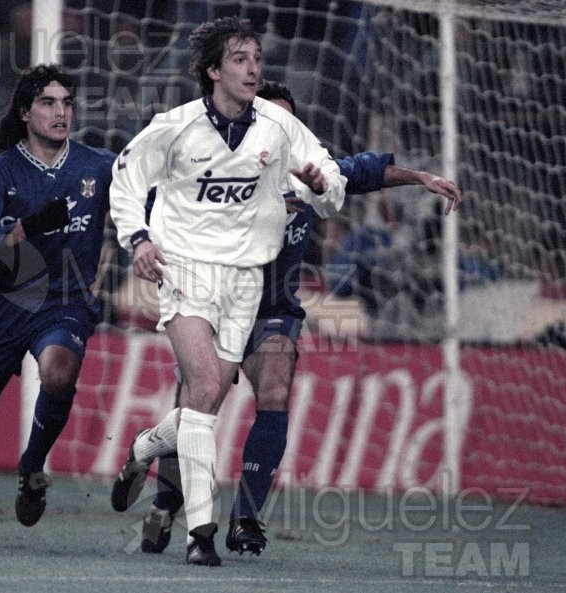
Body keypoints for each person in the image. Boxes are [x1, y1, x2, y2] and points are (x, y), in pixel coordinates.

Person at [136, 80, 462, 557]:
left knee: (275, 390)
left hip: (273, 310)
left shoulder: (309, 172)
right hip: (212, 304)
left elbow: (365, 171)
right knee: (196, 409)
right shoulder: (215, 168)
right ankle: (165, 500)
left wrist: (422, 179)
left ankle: (245, 516)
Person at [109, 18, 347, 566]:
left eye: (257, 58)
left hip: (245, 280)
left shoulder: (276, 129)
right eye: (240, 59)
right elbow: (126, 178)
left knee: (206, 397)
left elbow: (333, 184)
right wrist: (139, 239)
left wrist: (321, 187)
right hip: (186, 270)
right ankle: (202, 532)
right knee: (207, 387)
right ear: (213, 71)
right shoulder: (175, 127)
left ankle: (143, 449)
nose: (253, 68)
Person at [0, 64, 116, 544]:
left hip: (66, 302)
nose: (61, 112)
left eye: (67, 103)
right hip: (8, 304)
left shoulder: (98, 165)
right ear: (27, 112)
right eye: (49, 103)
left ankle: (32, 465)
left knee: (58, 372)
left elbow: (151, 190)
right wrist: (27, 229)